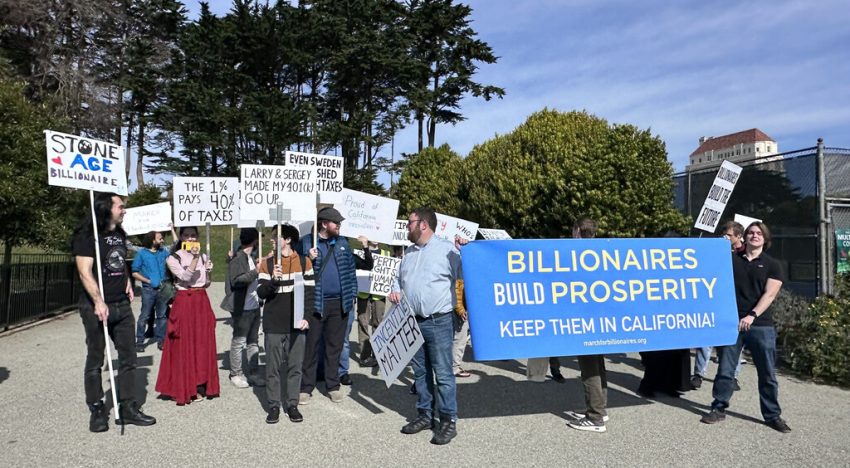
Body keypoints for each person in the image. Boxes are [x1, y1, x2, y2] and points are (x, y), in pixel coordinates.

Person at [71, 192, 156, 432]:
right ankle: (97, 408)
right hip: (95, 307)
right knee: (96, 358)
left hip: (122, 305)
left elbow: (118, 262)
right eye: (120, 206)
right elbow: (84, 272)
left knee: (129, 357)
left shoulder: (119, 234)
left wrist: (128, 280)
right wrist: (98, 301)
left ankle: (128, 406)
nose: (124, 210)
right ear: (107, 208)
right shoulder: (88, 236)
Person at [701, 222, 791, 432]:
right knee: (725, 370)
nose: (754, 236)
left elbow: (769, 295)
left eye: (759, 233)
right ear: (744, 237)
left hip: (760, 325)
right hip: (731, 324)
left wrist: (751, 315)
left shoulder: (772, 264)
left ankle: (772, 415)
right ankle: (718, 407)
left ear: (765, 238)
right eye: (751, 232)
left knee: (767, 373)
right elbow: (708, 267)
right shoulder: (730, 260)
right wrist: (719, 245)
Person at [390, 207, 463, 446]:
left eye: (409, 222)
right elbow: (397, 278)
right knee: (421, 373)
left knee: (443, 374)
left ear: (423, 224)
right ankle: (425, 414)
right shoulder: (408, 253)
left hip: (439, 321)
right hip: (412, 322)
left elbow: (466, 275)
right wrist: (396, 290)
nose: (406, 226)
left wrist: (468, 251)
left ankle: (448, 420)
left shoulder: (448, 251)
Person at [301, 207, 367, 403]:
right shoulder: (307, 242)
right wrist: (307, 259)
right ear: (323, 224)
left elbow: (350, 272)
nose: (339, 225)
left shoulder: (342, 243)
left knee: (334, 346)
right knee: (311, 347)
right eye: (335, 222)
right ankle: (306, 387)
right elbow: (296, 270)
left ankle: (333, 385)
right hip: (316, 303)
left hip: (339, 304)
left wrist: (351, 295)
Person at [155, 226, 220, 405]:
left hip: (201, 301)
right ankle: (185, 386)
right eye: (187, 235)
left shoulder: (204, 257)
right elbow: (184, 276)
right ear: (181, 238)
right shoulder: (173, 257)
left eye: (193, 235)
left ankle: (201, 383)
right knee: (184, 343)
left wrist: (208, 272)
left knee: (201, 343)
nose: (190, 239)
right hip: (184, 300)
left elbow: (205, 284)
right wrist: (195, 259)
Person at [258, 224, 313, 424]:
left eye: (276, 236)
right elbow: (261, 293)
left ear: (288, 239)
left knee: (295, 366)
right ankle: (274, 405)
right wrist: (273, 280)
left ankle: (292, 404)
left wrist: (307, 316)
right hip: (273, 322)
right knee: (272, 367)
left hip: (297, 322)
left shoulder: (304, 262)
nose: (272, 240)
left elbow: (310, 292)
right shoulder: (267, 263)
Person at [692, 220, 746, 391]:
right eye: (723, 234)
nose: (725, 237)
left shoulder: (745, 254)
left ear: (738, 237)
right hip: (714, 300)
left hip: (735, 303)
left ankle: (733, 376)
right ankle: (698, 374)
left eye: (729, 235)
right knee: (706, 339)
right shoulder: (715, 250)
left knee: (733, 341)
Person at [567, 218, 609, 433]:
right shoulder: (602, 252)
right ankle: (600, 407)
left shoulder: (576, 256)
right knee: (597, 364)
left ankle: (595, 417)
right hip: (600, 318)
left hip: (585, 320)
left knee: (589, 367)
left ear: (577, 231)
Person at [221, 228, 262, 388]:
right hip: (242, 307)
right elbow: (236, 281)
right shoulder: (238, 258)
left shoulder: (250, 257)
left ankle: (254, 372)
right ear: (254, 240)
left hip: (254, 306)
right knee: (239, 341)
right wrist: (256, 272)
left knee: (253, 341)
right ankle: (235, 373)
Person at [131, 230, 171, 352]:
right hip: (148, 290)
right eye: (160, 238)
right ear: (152, 240)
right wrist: (148, 281)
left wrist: (173, 229)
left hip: (163, 289)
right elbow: (134, 272)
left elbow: (175, 243)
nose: (162, 240)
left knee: (162, 316)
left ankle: (161, 340)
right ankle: (140, 341)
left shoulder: (163, 252)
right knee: (145, 315)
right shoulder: (142, 254)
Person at [357, 241, 388, 368]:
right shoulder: (360, 252)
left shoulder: (386, 254)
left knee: (378, 324)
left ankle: (378, 354)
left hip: (379, 295)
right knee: (363, 323)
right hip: (363, 293)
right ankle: (365, 356)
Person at [452, 278, 471, 378]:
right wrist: (460, 309)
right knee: (459, 338)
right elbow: (457, 288)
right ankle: (454, 368)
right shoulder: (461, 264)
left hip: (459, 306)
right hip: (458, 308)